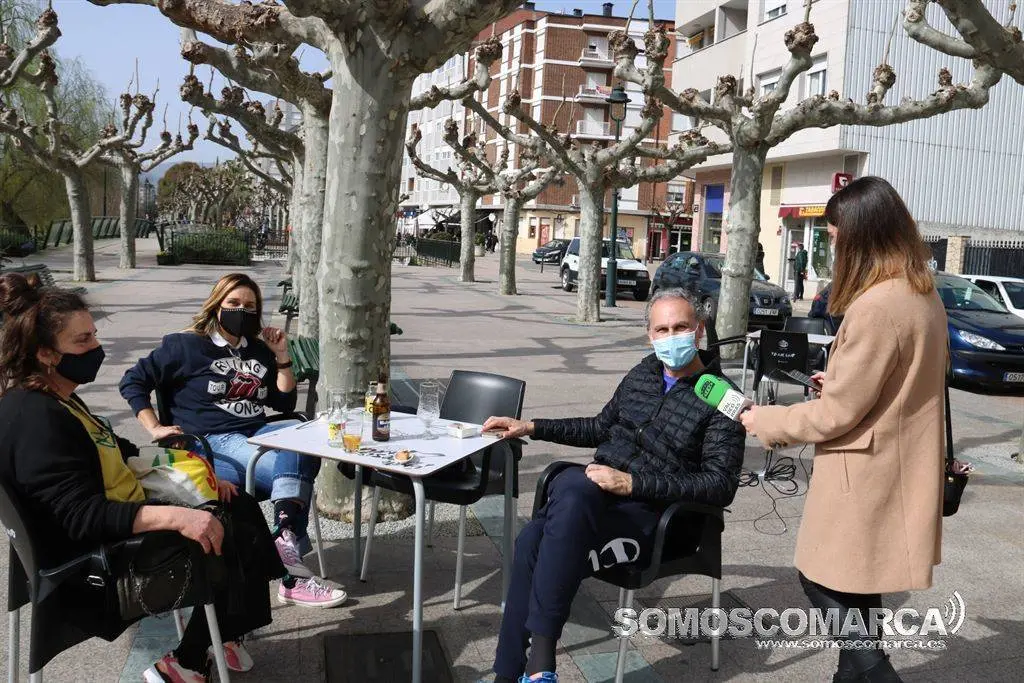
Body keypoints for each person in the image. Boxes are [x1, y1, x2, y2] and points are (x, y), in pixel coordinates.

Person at [0, 273, 286, 682]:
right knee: (231, 530)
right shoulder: (36, 418)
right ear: (46, 353)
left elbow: (116, 448)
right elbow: (82, 517)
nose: (98, 348)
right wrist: (178, 517)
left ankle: (223, 631)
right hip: (91, 565)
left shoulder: (52, 395)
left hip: (101, 524)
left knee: (234, 500)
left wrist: (198, 473)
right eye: (83, 342)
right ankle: (189, 658)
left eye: (95, 335)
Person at [739, 176, 946, 683]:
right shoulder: (922, 293)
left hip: (864, 473)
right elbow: (897, 380)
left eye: (834, 234)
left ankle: (880, 676)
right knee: (861, 588)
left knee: (820, 578)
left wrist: (762, 420)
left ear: (860, 235)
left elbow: (834, 417)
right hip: (898, 466)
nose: (831, 244)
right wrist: (839, 378)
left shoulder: (877, 305)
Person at [482, 287, 746, 683]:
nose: (671, 336)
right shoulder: (642, 373)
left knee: (538, 532)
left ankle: (522, 668)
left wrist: (633, 483)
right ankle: (535, 667)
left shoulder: (726, 399)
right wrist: (532, 427)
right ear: (650, 336)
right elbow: (601, 428)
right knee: (566, 497)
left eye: (681, 327)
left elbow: (719, 485)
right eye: (662, 329)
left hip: (655, 521)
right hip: (593, 500)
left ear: (699, 330)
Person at [119, 273, 345, 608]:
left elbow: (283, 403)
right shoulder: (185, 345)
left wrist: (281, 355)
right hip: (211, 443)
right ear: (217, 305)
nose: (242, 310)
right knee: (287, 458)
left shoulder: (256, 349)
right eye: (234, 303)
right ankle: (290, 565)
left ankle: (284, 538)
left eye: (250, 306)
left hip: (256, 434)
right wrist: (154, 427)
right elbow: (133, 381)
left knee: (301, 439)